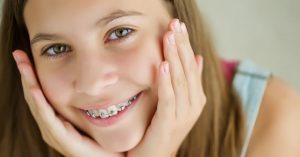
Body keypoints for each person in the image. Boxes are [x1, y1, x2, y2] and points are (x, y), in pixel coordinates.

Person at [1, 0, 300, 157]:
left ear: (179, 19)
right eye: (56, 48)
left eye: (120, 32)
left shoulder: (275, 125)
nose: (92, 83)